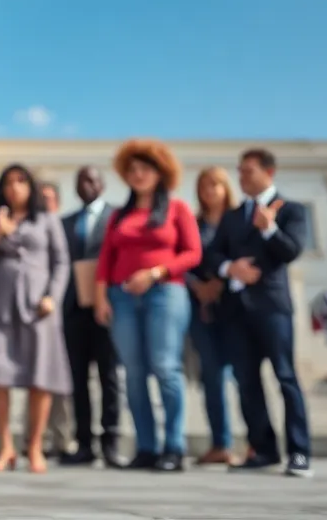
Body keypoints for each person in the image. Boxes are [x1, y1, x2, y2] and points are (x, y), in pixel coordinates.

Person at [94, 139, 201, 473]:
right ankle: (146, 446)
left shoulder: (177, 209)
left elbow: (192, 253)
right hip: (122, 298)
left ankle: (174, 446)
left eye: (145, 169)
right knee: (134, 373)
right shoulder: (119, 216)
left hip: (165, 294)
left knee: (165, 367)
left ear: (160, 173)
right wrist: (100, 296)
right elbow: (106, 258)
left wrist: (156, 273)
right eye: (132, 170)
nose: (138, 175)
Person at [203, 148, 311, 477]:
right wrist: (229, 267)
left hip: (272, 308)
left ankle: (299, 452)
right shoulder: (233, 216)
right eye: (239, 171)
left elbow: (291, 250)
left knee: (285, 377)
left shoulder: (291, 210)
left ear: (269, 172)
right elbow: (210, 255)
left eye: (248, 170)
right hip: (236, 312)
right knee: (246, 382)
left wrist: (269, 230)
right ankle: (262, 449)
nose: (242, 177)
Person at [0, 164, 72, 474]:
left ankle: (33, 446)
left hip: (36, 308)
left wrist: (51, 297)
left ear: (30, 187)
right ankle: (5, 446)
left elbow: (61, 262)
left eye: (20, 181)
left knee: (39, 376)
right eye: (8, 182)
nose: (14, 187)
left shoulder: (47, 221)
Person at [60, 166, 124, 469]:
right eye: (80, 180)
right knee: (78, 379)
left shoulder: (118, 217)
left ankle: (110, 441)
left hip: (107, 307)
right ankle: (84, 443)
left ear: (102, 183)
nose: (86, 184)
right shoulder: (66, 222)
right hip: (73, 310)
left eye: (91, 179)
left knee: (109, 377)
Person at [187, 166, 239, 465]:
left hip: (236, 307)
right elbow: (186, 260)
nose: (210, 191)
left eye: (215, 185)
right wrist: (199, 287)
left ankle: (259, 441)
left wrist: (221, 283)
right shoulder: (193, 224)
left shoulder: (240, 221)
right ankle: (220, 442)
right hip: (202, 309)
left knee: (244, 373)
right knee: (212, 373)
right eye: (204, 186)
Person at [36, 181, 75, 460]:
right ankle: (35, 438)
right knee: (37, 376)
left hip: (70, 310)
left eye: (50, 198)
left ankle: (63, 437)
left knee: (60, 380)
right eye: (42, 198)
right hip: (40, 313)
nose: (46, 203)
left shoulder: (66, 227)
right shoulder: (35, 228)